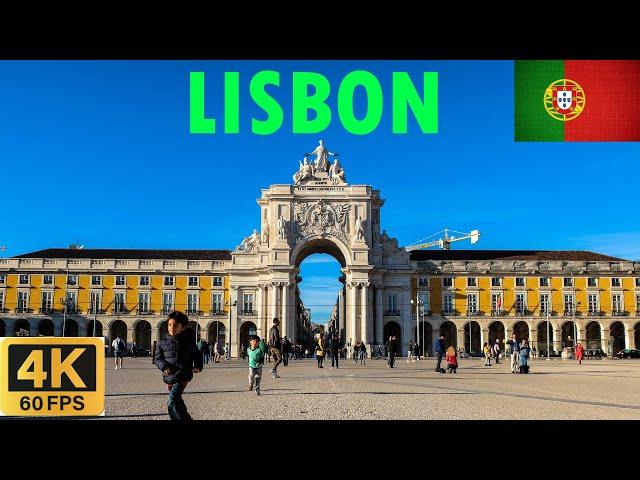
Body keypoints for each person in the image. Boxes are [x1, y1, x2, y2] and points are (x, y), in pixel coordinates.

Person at [153, 311, 202, 421]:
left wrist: (198, 366)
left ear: (183, 327)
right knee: (177, 400)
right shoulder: (162, 342)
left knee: (171, 401)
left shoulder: (188, 343)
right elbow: (157, 358)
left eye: (175, 325)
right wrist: (164, 367)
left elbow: (197, 354)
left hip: (183, 375)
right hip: (169, 376)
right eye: (170, 325)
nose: (172, 328)